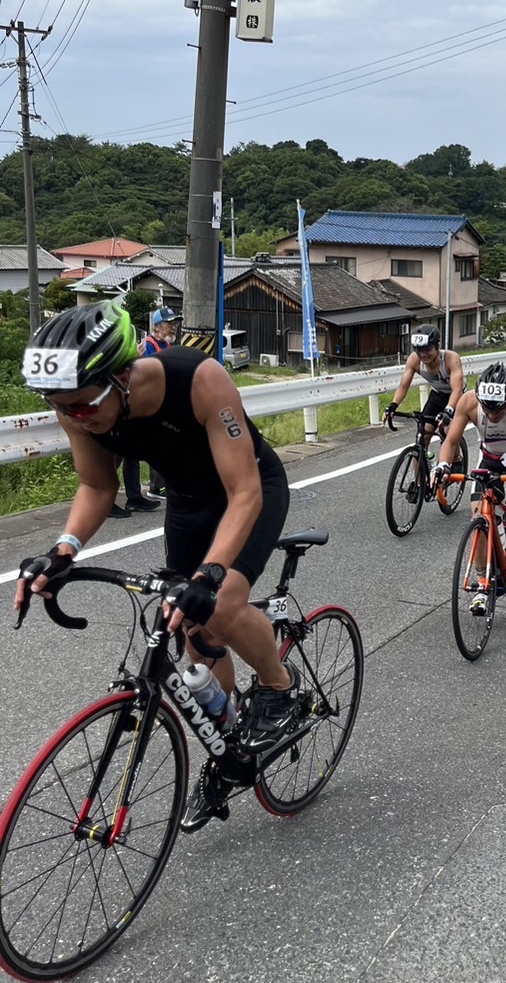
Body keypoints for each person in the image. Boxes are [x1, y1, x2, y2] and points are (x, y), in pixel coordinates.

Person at [16, 300, 297, 833]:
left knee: (215, 607)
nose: (76, 416)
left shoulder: (199, 379)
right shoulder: (79, 403)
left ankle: (279, 685)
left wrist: (210, 575)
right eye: (62, 408)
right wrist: (63, 550)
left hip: (250, 490)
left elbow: (244, 493)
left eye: (82, 405)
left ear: (121, 375)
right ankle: (228, 745)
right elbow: (98, 486)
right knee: (191, 635)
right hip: (189, 503)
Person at [435, 362, 506, 606]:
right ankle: (482, 582)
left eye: (500, 409)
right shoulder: (469, 402)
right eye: (489, 409)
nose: (493, 415)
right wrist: (443, 465)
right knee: (479, 516)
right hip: (490, 459)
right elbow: (451, 440)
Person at [384, 324, 465, 442]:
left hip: (457, 396)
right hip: (437, 395)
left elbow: (457, 389)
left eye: (427, 349)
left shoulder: (451, 358)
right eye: (418, 350)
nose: (423, 354)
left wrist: (448, 410)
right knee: (424, 434)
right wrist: (393, 406)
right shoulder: (414, 360)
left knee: (448, 432)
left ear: (437, 347)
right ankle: (419, 459)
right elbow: (403, 386)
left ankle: (456, 459)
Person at [138, 306, 178, 497]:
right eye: (169, 324)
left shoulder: (167, 346)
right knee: (157, 446)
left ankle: (161, 485)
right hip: (150, 404)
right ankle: (157, 487)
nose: (174, 328)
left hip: (164, 402)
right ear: (157, 326)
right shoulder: (148, 345)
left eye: (175, 324)